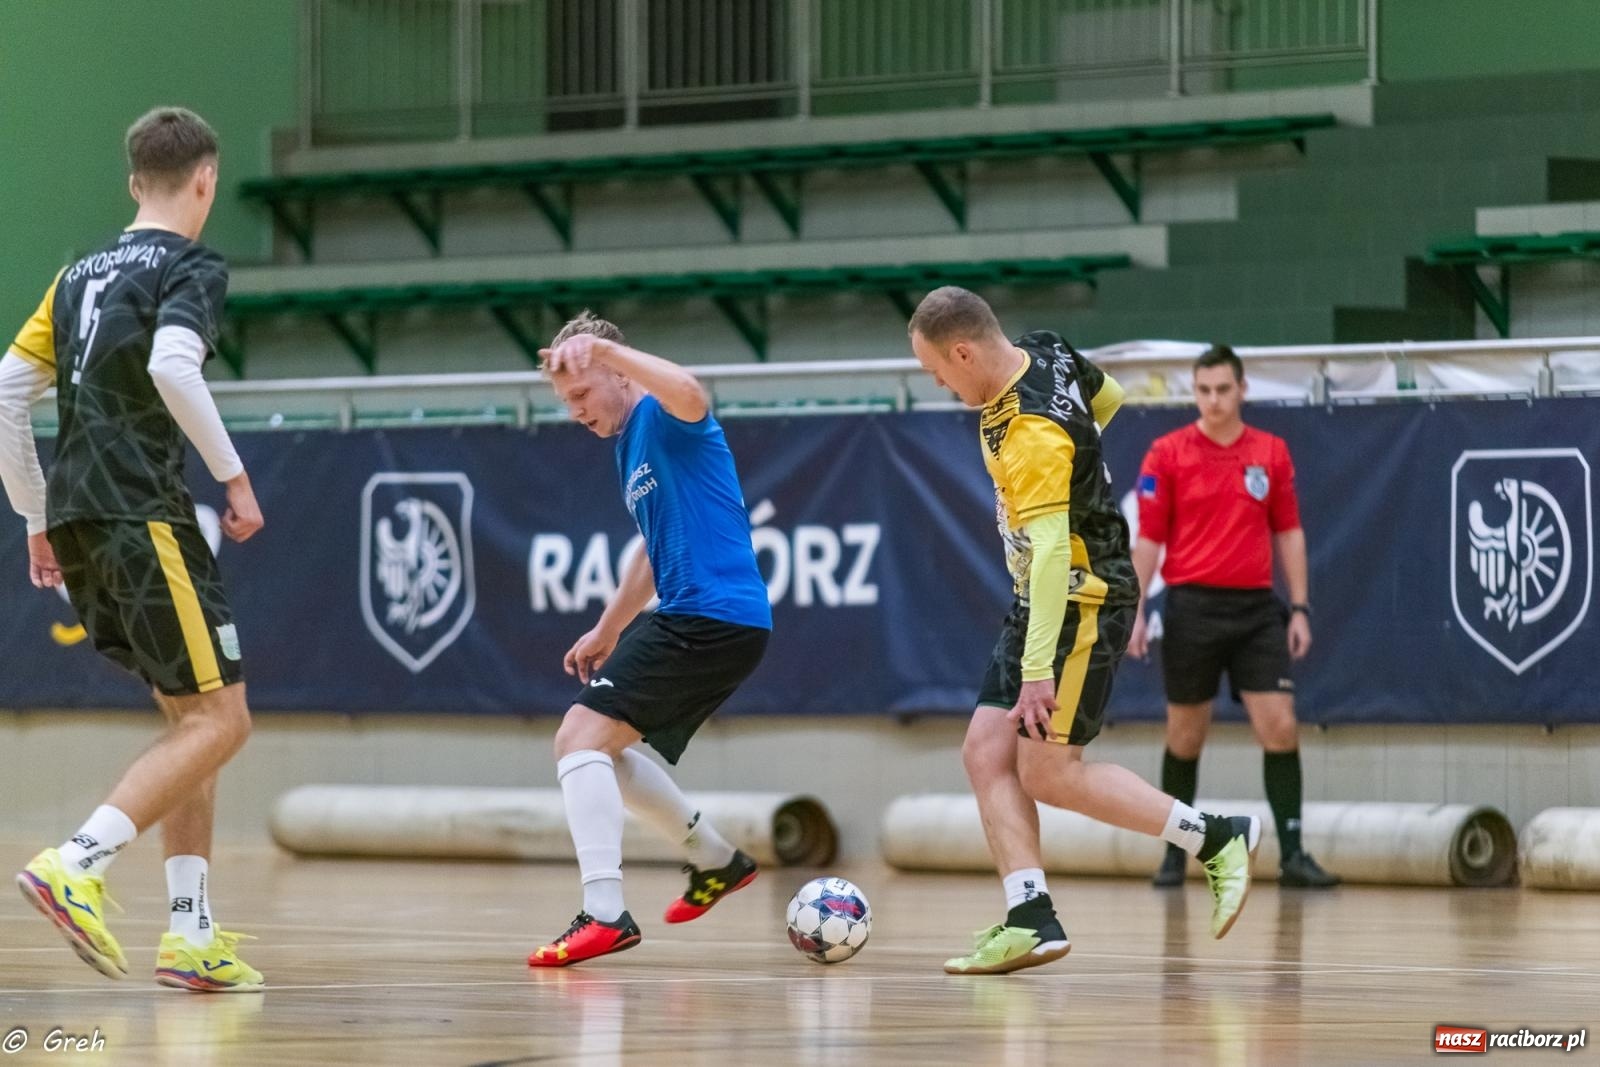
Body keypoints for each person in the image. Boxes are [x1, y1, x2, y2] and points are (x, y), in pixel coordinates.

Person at [906, 287, 1262, 976]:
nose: (940, 384)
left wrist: (1038, 669)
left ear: (963, 351)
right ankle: (1030, 916)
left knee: (1050, 773)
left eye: (937, 370)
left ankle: (1215, 837)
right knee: (985, 751)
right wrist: (1081, 469)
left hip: (1079, 596)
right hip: (1040, 599)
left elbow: (1048, 554)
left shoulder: (1030, 433)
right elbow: (1110, 398)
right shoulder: (1046, 349)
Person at [0, 107, 267, 990]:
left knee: (194, 721)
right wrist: (234, 477)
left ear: (132, 184)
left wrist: (34, 515)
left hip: (79, 515)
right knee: (225, 721)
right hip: (143, 511)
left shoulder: (73, 276)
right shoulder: (191, 265)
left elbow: (6, 389)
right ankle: (76, 863)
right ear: (206, 180)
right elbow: (172, 367)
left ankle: (190, 933)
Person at [529, 312, 772, 968]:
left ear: (617, 372)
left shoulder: (664, 415)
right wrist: (609, 627)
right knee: (598, 749)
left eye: (582, 393)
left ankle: (606, 914)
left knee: (577, 737)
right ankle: (718, 861)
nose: (575, 411)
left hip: (709, 616)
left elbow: (691, 390)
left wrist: (605, 350)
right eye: (566, 401)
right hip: (710, 619)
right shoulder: (627, 443)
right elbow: (650, 548)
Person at [1128, 345, 1338, 889]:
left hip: (1255, 612)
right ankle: (1174, 855)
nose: (1214, 400)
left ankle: (1293, 855)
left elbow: (1289, 531)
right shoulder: (1167, 453)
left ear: (1242, 389)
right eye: (1204, 390)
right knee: (1185, 735)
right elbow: (1148, 539)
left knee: (1281, 726)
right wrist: (1134, 610)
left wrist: (1299, 607)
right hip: (1191, 608)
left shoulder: (1270, 452)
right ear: (1194, 392)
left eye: (1223, 389)